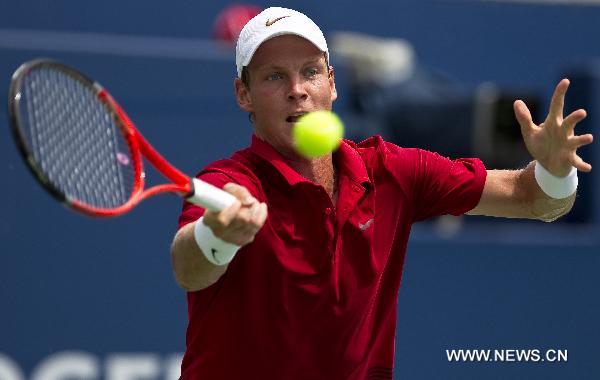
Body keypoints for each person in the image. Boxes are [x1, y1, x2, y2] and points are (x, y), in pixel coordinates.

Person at [170, 6, 593, 380]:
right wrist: (218, 236)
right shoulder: (231, 182)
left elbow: (535, 199)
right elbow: (188, 267)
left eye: (310, 72)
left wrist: (555, 172)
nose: (297, 89)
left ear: (332, 84)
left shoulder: (391, 170)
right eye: (274, 76)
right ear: (243, 94)